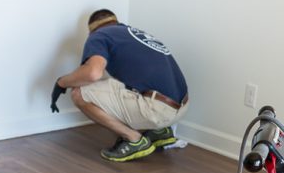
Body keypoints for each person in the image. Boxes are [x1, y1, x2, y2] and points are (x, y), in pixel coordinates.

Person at [50, 9, 189, 162]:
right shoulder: (134, 33)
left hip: (158, 111)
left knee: (79, 93)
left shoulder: (99, 36)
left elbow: (93, 73)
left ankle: (134, 140)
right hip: (181, 107)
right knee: (120, 84)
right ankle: (160, 131)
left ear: (91, 31)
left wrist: (62, 82)